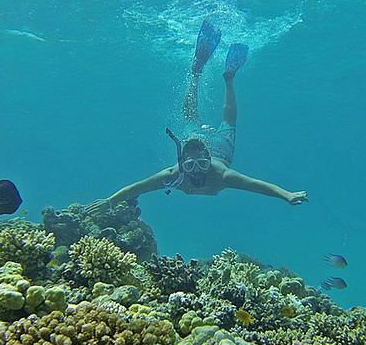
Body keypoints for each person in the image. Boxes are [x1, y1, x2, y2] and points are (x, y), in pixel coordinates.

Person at [87, 20, 308, 215]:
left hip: (218, 151)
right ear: (182, 162)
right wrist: (110, 202)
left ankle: (198, 72)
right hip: (220, 148)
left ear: (207, 159)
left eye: (201, 163)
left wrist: (286, 194)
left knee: (192, 118)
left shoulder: (221, 174)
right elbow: (141, 187)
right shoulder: (175, 173)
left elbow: (255, 185)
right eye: (192, 165)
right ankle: (226, 77)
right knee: (224, 122)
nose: (198, 170)